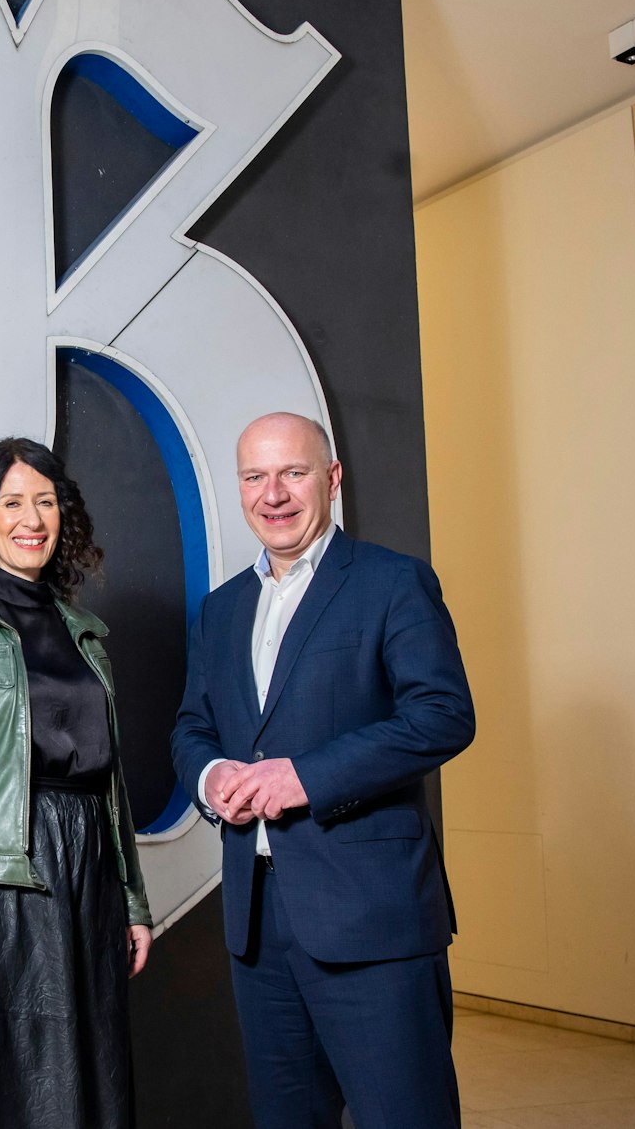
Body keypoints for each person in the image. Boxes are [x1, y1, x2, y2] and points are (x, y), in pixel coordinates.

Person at [171, 413, 475, 1128]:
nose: (272, 493)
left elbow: (442, 713)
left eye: (293, 472)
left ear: (332, 480)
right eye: (255, 476)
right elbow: (192, 726)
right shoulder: (221, 610)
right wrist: (212, 778)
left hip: (373, 916)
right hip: (259, 922)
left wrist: (306, 778)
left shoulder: (392, 582)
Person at [0, 437, 155, 1129]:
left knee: (91, 1080)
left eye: (45, 501)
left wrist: (131, 898)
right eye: (13, 501)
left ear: (62, 515)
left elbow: (109, 777)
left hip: (89, 877)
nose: (30, 517)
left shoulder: (86, 633)